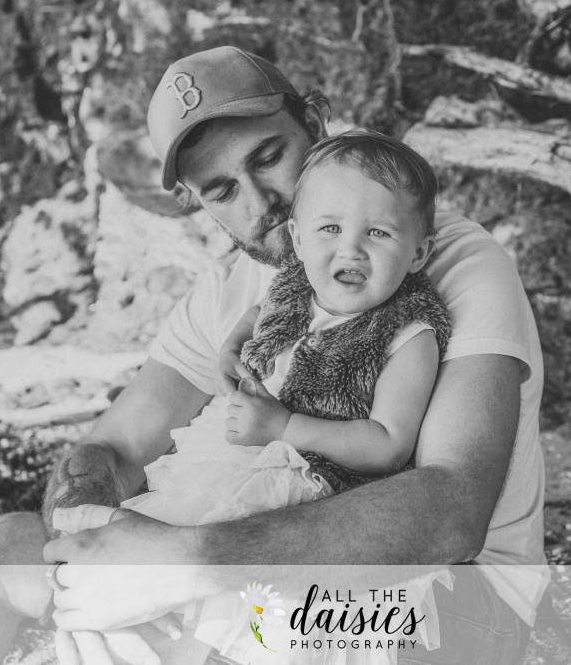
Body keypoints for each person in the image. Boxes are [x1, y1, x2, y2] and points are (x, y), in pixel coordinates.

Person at [0, 46, 546, 665]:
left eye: (268, 157)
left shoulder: (449, 261)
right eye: (222, 190)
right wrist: (86, 557)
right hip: (231, 560)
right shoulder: (228, 290)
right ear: (194, 202)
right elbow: (109, 451)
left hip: (444, 602)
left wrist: (187, 561)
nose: (262, 202)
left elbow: (452, 510)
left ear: (315, 122)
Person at [122, 130, 453, 662]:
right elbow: (258, 315)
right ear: (298, 240)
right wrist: (231, 348)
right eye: (330, 228)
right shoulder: (294, 285)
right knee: (189, 592)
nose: (351, 248)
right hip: (231, 466)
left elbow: (389, 443)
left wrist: (284, 428)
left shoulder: (408, 333)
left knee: (271, 628)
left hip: (318, 495)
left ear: (418, 253)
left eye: (378, 233)